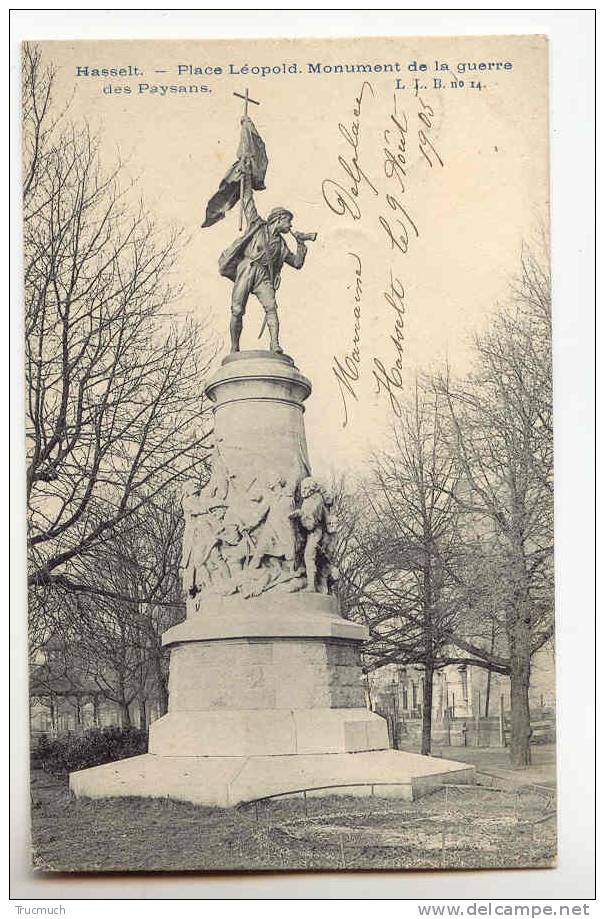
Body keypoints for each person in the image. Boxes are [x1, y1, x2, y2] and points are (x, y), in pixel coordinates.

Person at [218, 120, 310, 353]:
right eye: (288, 220)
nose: (290, 225)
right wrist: (246, 173)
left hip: (263, 277)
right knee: (237, 310)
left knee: (272, 307)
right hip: (247, 269)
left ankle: (275, 344)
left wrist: (301, 245)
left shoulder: (282, 246)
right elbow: (247, 199)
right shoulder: (258, 225)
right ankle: (234, 347)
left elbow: (297, 264)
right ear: (278, 220)